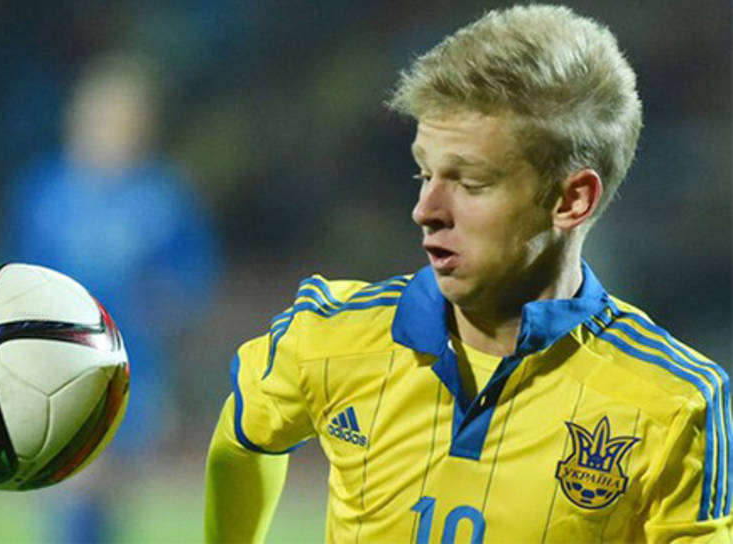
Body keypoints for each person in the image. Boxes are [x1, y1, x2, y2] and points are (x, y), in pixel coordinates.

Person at [204, 5, 731, 543]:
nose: (425, 209)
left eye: (471, 183)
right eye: (424, 173)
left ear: (572, 200)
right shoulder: (331, 338)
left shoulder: (673, 406)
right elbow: (242, 443)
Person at [0, 54, 218, 543]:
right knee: (74, 482)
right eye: (100, 119)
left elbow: (192, 279)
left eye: (123, 122)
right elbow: (13, 277)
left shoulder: (161, 197)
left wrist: (167, 301)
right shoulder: (45, 191)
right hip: (53, 359)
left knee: (97, 486)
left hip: (132, 363)